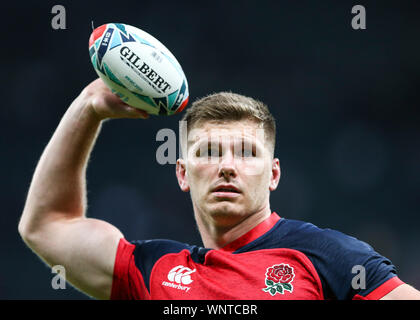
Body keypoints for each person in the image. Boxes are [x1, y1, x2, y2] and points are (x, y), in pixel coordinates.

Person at [18, 78, 420, 300]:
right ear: (182, 173)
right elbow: (46, 225)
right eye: (209, 152)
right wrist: (89, 106)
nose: (227, 165)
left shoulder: (328, 257)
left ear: (274, 174)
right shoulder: (153, 271)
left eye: (246, 153)